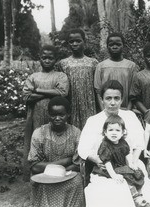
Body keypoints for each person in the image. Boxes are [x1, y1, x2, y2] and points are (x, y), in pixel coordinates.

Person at [78, 80, 150, 207]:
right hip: (104, 168)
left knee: (147, 191)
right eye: (108, 98)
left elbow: (139, 144)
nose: (112, 102)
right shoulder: (93, 121)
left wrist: (132, 163)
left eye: (116, 98)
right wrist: (97, 160)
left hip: (130, 164)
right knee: (114, 192)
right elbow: (83, 149)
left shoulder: (130, 117)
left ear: (122, 99)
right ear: (102, 100)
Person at [23, 45, 69, 181]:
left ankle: (57, 174)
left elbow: (63, 93)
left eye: (51, 58)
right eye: (44, 58)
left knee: (55, 143)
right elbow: (27, 97)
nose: (47, 61)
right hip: (36, 116)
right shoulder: (33, 77)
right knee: (38, 143)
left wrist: (38, 91)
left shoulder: (61, 76)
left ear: (56, 59)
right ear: (39, 59)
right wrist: (50, 92)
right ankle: (37, 176)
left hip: (56, 117)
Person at [28, 96, 85, 207]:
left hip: (69, 175)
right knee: (42, 185)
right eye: (53, 115)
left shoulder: (76, 133)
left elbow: (78, 165)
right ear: (48, 114)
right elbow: (34, 167)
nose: (57, 118)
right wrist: (67, 160)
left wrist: (58, 172)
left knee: (77, 182)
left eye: (61, 115)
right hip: (44, 176)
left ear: (68, 114)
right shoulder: (39, 133)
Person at [96, 114, 150, 207]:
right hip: (111, 169)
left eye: (117, 130)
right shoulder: (105, 145)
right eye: (110, 130)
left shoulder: (123, 142)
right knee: (127, 179)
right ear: (105, 132)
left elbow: (127, 154)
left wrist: (131, 164)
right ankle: (136, 198)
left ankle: (140, 196)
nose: (114, 133)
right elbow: (107, 163)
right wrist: (114, 175)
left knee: (137, 173)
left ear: (123, 132)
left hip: (121, 166)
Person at [58, 28, 98, 129]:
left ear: (84, 42)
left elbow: (97, 87)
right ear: (68, 44)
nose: (75, 44)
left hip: (89, 103)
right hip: (72, 103)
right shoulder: (63, 63)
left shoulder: (93, 63)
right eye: (71, 42)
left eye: (78, 41)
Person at [94, 33, 139, 110]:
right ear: (107, 46)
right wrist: (103, 111)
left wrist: (128, 111)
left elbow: (133, 92)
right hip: (107, 110)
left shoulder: (131, 66)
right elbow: (98, 91)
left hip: (125, 109)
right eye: (111, 44)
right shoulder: (101, 66)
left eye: (118, 44)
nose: (114, 47)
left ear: (123, 46)